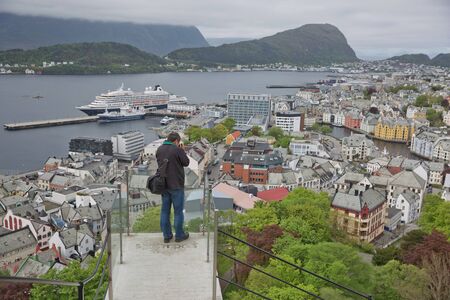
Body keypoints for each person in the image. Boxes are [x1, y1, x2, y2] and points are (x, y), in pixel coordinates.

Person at [156, 132, 190, 243]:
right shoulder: (177, 150)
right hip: (176, 185)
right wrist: (182, 150)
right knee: (178, 212)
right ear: (176, 141)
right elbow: (186, 162)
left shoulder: (159, 149)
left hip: (164, 185)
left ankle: (167, 236)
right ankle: (179, 235)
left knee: (165, 211)